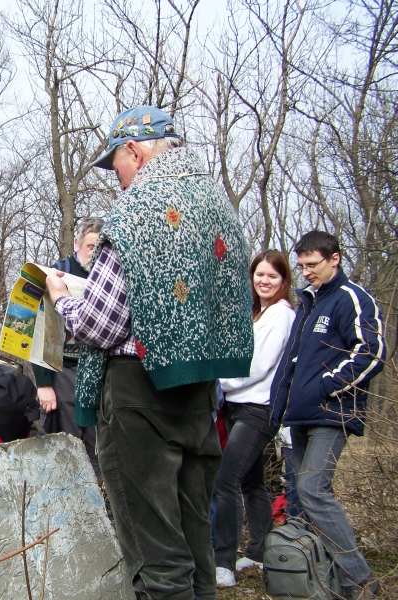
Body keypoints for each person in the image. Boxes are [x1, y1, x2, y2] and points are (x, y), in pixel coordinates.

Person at [46, 106, 254, 600]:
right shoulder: (217, 203)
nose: (116, 177)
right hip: (200, 394)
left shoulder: (136, 212)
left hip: (139, 399)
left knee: (156, 554)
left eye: (114, 164)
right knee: (195, 546)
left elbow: (100, 324)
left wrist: (61, 297)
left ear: (134, 151)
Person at [270, 231, 385, 599]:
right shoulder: (309, 302)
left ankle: (361, 581)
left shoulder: (351, 298)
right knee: (304, 498)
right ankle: (326, 581)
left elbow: (370, 351)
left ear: (334, 259)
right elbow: (292, 363)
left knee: (312, 489)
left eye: (312, 265)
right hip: (300, 415)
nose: (306, 272)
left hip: (330, 413)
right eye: (301, 266)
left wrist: (326, 387)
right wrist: (280, 408)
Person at [213, 250, 296, 588]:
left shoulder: (281, 315)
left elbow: (257, 365)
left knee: (225, 479)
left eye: (272, 277)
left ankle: (223, 562)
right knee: (251, 481)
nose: (264, 281)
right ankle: (261, 552)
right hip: (235, 407)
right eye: (259, 275)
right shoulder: (257, 314)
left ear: (284, 280)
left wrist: (219, 381)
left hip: (258, 410)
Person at [33, 217, 104, 479]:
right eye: (90, 247)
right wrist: (44, 384)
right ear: (77, 244)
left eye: (100, 248)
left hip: (100, 371)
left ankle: (100, 509)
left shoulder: (110, 276)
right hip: (64, 371)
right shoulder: (58, 272)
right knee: (65, 447)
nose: (95, 254)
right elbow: (41, 333)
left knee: (98, 447)